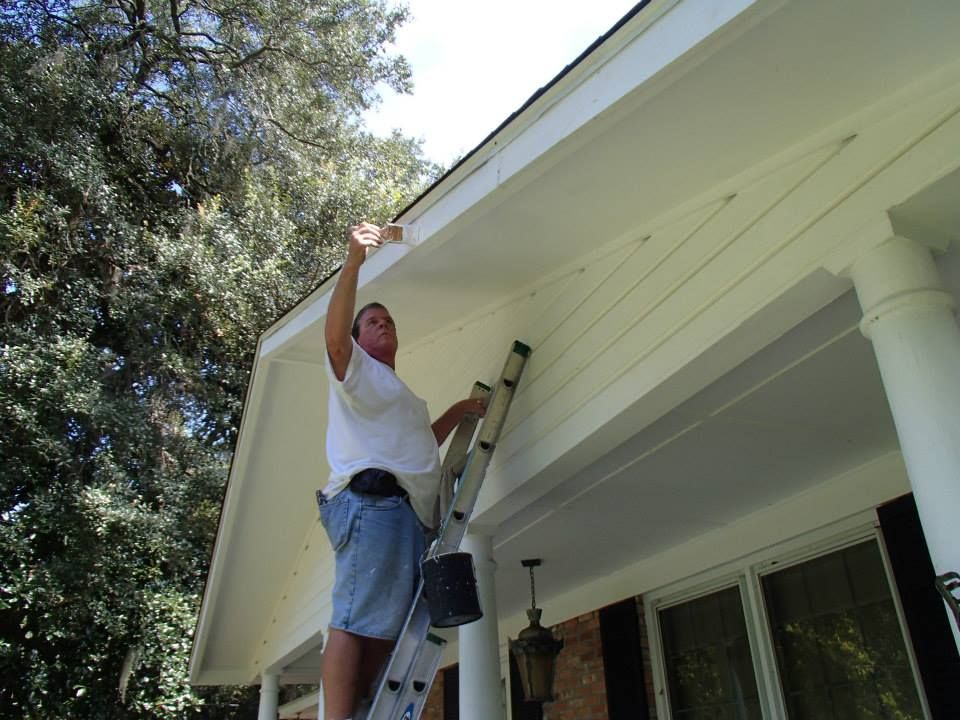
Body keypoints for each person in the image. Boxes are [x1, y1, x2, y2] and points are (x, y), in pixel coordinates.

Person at [318, 222, 486, 720]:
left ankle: (359, 710)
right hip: (370, 504)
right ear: (358, 338)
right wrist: (353, 263)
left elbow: (419, 448)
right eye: (371, 321)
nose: (383, 324)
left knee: (381, 624)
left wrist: (458, 412)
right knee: (351, 621)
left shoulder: (398, 394)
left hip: (401, 512)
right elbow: (334, 341)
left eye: (387, 319)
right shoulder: (355, 372)